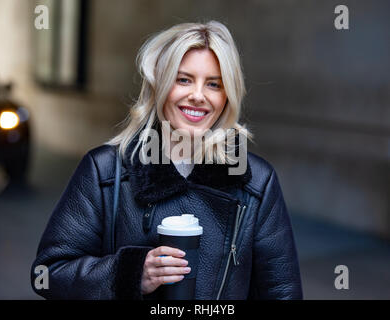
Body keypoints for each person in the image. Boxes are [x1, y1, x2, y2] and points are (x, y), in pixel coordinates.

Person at [31, 21, 303, 300]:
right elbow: (49, 273)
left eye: (213, 84)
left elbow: (282, 292)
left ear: (226, 96)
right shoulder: (105, 170)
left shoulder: (256, 181)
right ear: (159, 85)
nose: (198, 96)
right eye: (183, 79)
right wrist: (132, 273)